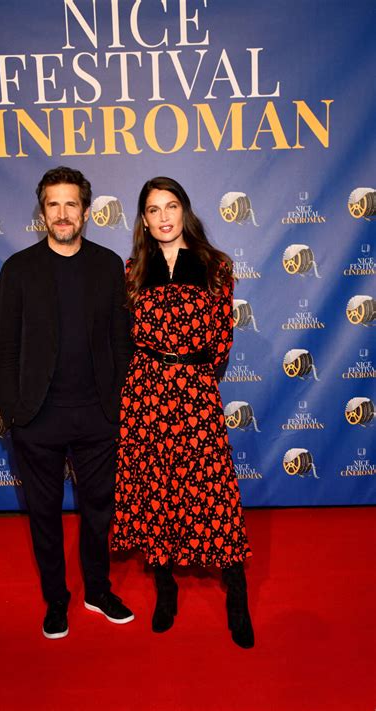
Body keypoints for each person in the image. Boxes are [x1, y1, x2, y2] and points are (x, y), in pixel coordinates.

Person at [111, 176, 254, 647]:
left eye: (171, 206)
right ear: (145, 220)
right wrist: (153, 376)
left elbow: (221, 341)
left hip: (194, 393)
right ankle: (166, 589)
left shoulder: (215, 266)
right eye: (153, 210)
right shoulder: (134, 269)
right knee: (157, 488)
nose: (164, 217)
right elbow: (126, 336)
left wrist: (190, 374)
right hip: (145, 394)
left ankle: (236, 592)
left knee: (212, 490)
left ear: (185, 210)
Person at [0, 166, 134, 639]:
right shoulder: (18, 269)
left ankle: (97, 590)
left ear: (86, 211)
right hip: (38, 417)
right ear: (42, 212)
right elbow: (5, 349)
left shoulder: (109, 265)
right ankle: (57, 601)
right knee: (44, 515)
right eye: (53, 204)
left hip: (98, 416)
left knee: (100, 512)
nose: (63, 213)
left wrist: (118, 407)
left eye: (71, 204)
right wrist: (14, 413)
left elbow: (121, 343)